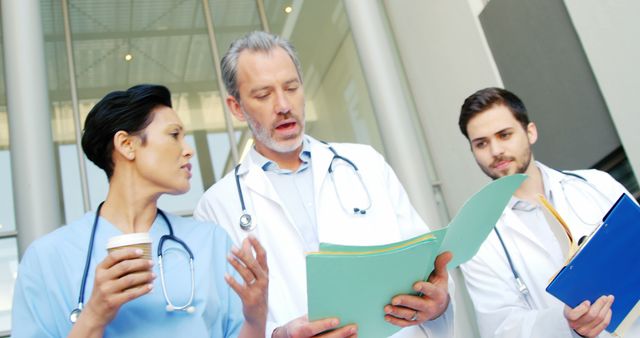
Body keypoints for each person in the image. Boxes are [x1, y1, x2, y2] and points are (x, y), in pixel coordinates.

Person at [193, 31, 454, 338]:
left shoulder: (366, 164)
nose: (283, 105)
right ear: (236, 108)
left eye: (291, 88)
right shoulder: (216, 207)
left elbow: (422, 261)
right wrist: (280, 336)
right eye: (263, 95)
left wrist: (439, 304)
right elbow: (224, 323)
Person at [11, 84, 269, 337]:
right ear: (126, 145)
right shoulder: (47, 259)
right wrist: (94, 316)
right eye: (174, 135)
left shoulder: (211, 242)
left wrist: (256, 318)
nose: (188, 150)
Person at [457, 87, 640, 338]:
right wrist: (565, 321)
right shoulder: (478, 242)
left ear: (530, 132)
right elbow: (501, 328)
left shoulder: (598, 184)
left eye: (504, 135)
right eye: (481, 143)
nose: (495, 150)